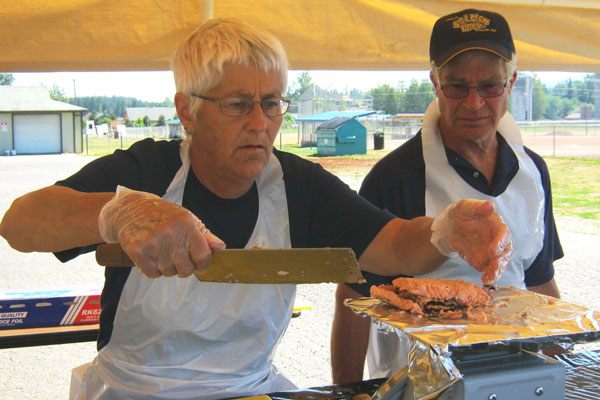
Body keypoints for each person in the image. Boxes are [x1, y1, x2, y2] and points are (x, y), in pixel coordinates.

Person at [0, 18, 511, 400]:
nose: (261, 123)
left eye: (272, 103)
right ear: (187, 110)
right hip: (134, 390)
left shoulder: (298, 185)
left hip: (251, 388)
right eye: (238, 104)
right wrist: (116, 212)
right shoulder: (147, 170)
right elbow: (19, 223)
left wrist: (443, 232)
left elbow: (397, 246)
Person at [331, 8, 563, 384]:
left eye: (490, 85)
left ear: (511, 82)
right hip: (418, 381)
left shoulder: (533, 173)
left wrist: (560, 364)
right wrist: (349, 389)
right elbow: (353, 296)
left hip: (515, 372)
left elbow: (537, 279)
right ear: (434, 83)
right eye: (456, 86)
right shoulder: (395, 177)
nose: (474, 103)